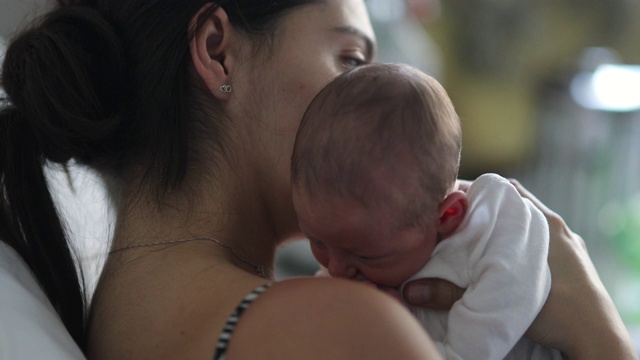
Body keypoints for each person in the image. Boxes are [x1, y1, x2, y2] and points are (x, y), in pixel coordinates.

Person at [0, 1, 636, 359]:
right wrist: (598, 329)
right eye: (351, 61)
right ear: (218, 50)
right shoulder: (343, 332)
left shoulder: (110, 321)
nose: (371, 97)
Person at [291, 63, 562, 359]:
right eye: (317, 242)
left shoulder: (494, 220)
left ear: (446, 216)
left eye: (366, 256)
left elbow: (513, 292)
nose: (336, 268)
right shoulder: (359, 243)